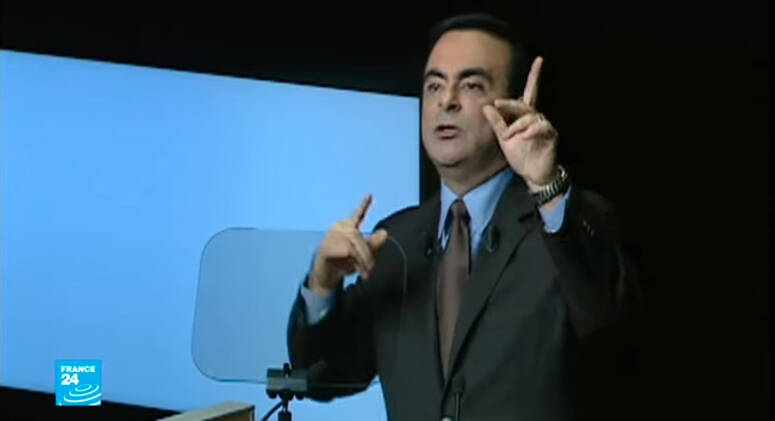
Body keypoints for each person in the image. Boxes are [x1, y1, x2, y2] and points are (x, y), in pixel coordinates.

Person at [287, 13, 640, 421]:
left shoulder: (563, 220)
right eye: (434, 85)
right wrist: (322, 285)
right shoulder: (396, 241)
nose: (446, 101)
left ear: (515, 107)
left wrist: (547, 187)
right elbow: (324, 375)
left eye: (471, 85)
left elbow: (614, 331)